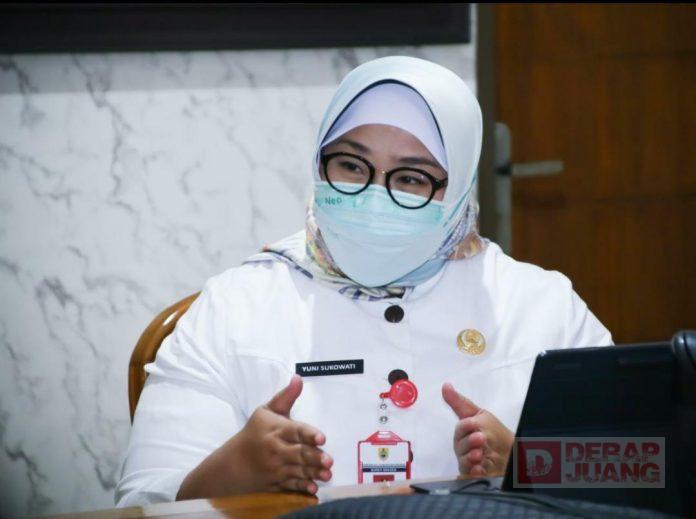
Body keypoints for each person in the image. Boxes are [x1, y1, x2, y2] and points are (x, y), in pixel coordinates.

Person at [115, 56, 612, 506]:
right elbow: (142, 501)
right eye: (351, 166)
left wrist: (528, 467)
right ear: (319, 165)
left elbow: (640, 472)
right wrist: (231, 471)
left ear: (459, 188)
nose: (374, 196)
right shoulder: (236, 307)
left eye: (412, 178)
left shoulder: (542, 307)